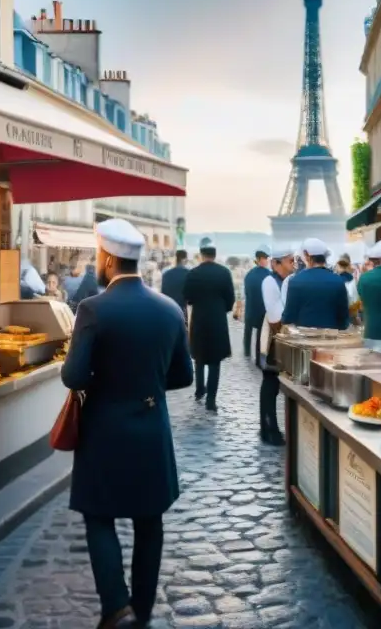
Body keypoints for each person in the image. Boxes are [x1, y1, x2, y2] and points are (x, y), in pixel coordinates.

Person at [61, 219, 193, 628]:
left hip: (103, 428)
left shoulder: (92, 309)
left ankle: (116, 606)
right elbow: (183, 376)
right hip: (152, 427)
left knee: (98, 515)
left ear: (107, 258)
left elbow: (74, 376)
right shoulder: (169, 309)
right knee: (149, 520)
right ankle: (144, 609)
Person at [184, 237, 234, 412]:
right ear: (215, 254)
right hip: (218, 320)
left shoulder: (193, 273)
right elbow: (230, 299)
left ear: (201, 253)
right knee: (215, 361)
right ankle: (211, 400)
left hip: (199, 319)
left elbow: (188, 298)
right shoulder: (224, 273)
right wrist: (222, 309)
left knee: (199, 357)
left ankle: (199, 390)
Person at [258, 245, 296, 445]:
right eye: (290, 261)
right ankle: (268, 427)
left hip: (283, 335)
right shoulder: (269, 281)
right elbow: (275, 316)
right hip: (275, 337)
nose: (293, 265)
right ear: (276, 263)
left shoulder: (285, 280)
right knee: (270, 383)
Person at [281, 238, 350, 330]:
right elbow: (344, 319)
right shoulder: (338, 281)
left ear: (306, 255)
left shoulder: (295, 281)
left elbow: (288, 318)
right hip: (331, 339)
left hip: (304, 339)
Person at [242, 247, 272, 359]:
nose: (266, 260)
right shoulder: (269, 274)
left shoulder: (249, 274)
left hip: (251, 307)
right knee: (261, 331)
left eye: (267, 258)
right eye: (265, 258)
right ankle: (259, 353)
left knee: (248, 330)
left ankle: (246, 351)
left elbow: (246, 291)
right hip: (262, 308)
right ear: (259, 259)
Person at [160, 250, 189, 316]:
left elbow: (163, 294)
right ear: (184, 259)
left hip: (168, 310)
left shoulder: (166, 274)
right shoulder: (188, 274)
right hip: (182, 311)